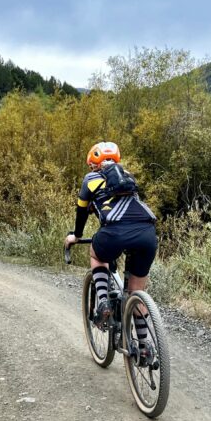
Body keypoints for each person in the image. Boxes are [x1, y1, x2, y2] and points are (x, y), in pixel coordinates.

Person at [64, 141, 157, 356]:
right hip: (147, 233)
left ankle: (104, 303)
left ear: (93, 164)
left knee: (97, 255)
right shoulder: (128, 176)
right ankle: (144, 347)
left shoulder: (90, 179)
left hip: (113, 233)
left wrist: (75, 236)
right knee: (137, 291)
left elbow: (82, 212)